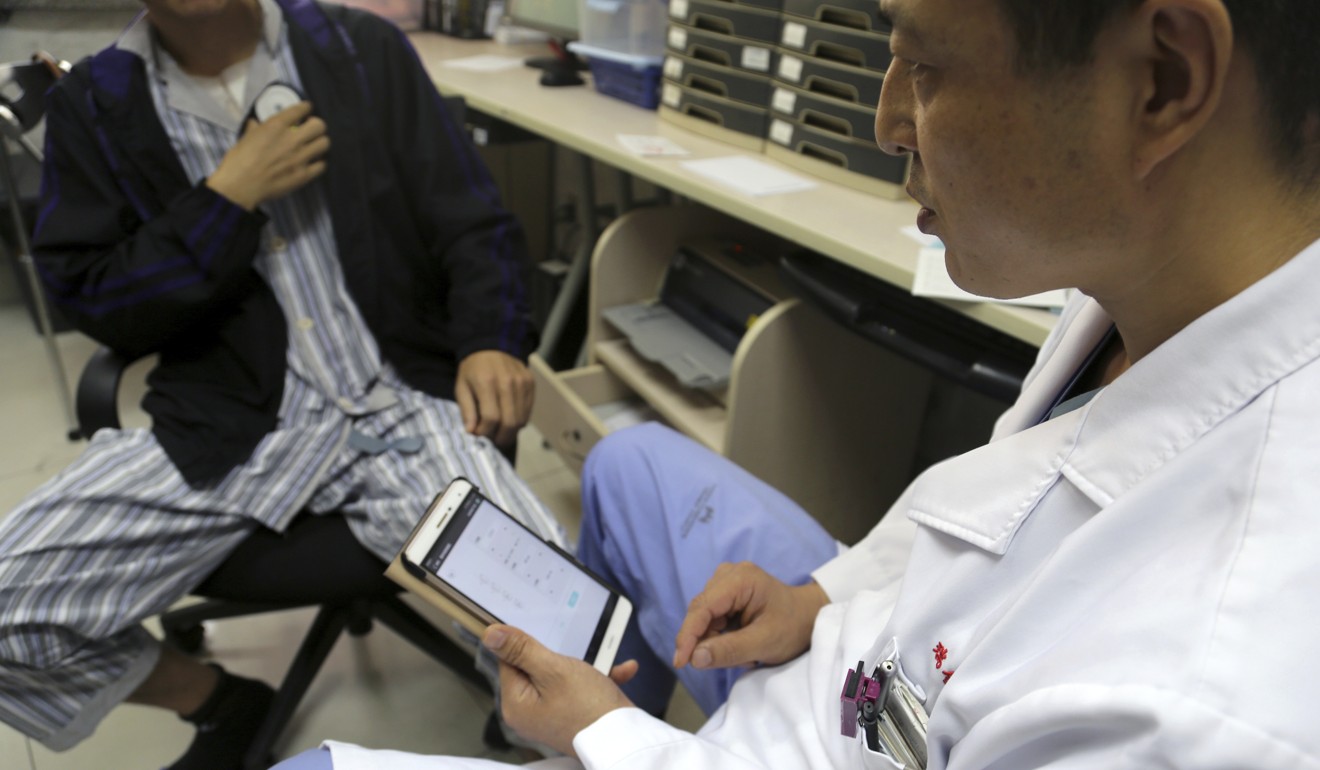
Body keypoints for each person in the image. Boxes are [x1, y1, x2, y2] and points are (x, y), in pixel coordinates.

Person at [271, 0, 1320, 767]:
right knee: (629, 459)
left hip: (841, 732)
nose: (885, 119)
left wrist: (608, 734)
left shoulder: (1189, 704)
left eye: (924, 64)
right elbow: (1019, 485)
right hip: (870, 666)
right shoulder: (1159, 288)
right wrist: (825, 591)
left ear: (1164, 81)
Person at [0, 1, 566, 768]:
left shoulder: (360, 50)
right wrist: (223, 201)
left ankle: (525, 724)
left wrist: (491, 338)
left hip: (403, 400)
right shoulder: (97, 104)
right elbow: (100, 302)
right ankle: (217, 702)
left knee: (565, 634)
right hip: (231, 421)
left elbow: (473, 221)